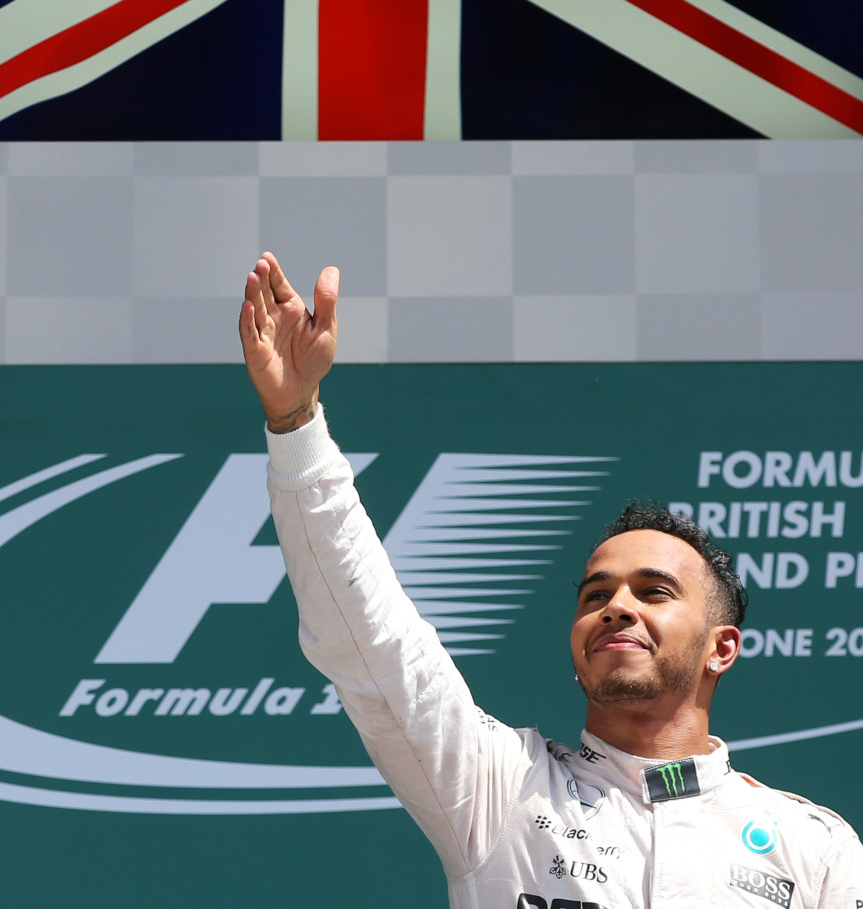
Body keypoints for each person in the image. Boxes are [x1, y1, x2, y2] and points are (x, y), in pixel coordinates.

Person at [239, 252, 863, 909]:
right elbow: (369, 638)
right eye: (596, 594)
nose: (616, 607)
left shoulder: (815, 846)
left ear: (721, 646)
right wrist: (296, 420)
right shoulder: (500, 787)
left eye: (653, 591)